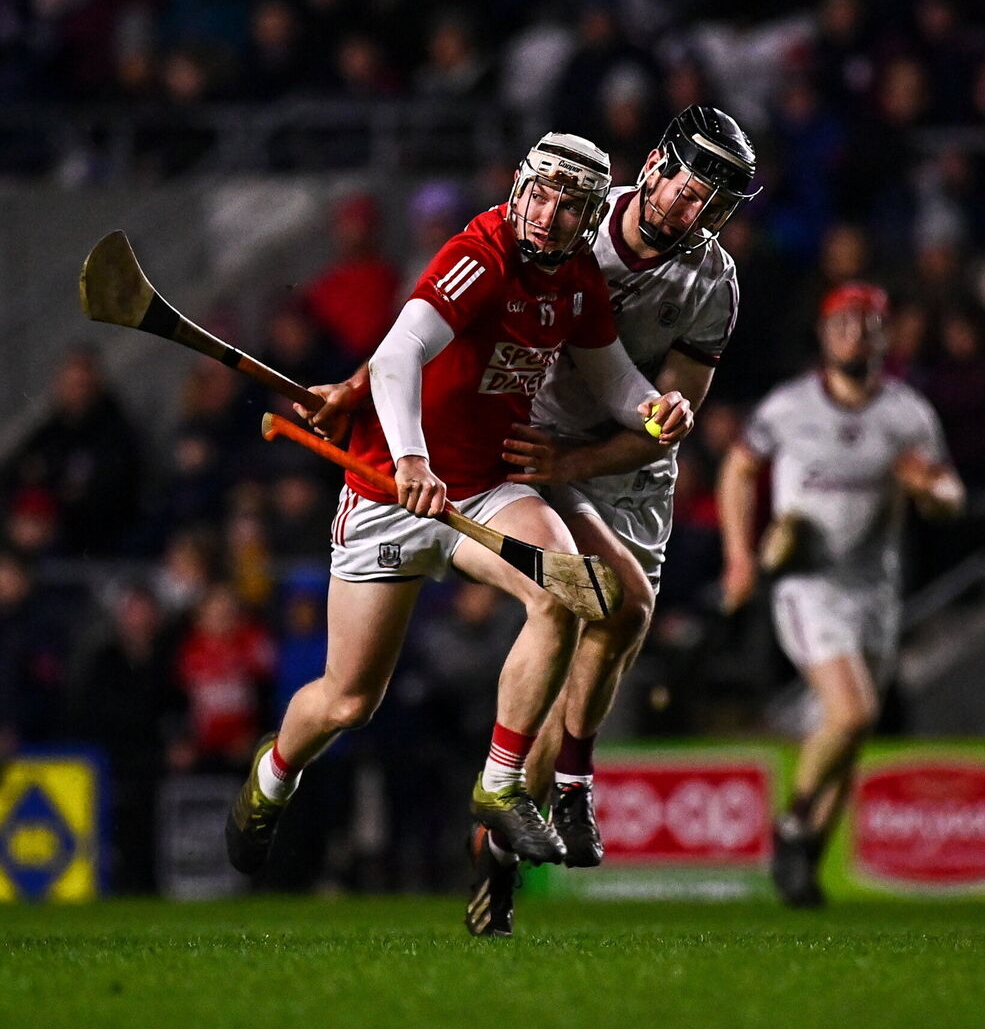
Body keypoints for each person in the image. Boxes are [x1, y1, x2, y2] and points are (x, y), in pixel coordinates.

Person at [225, 131, 690, 880]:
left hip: (484, 487)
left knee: (565, 589)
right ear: (518, 187)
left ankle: (501, 785)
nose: (547, 215)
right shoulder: (481, 253)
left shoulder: (576, 281)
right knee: (348, 703)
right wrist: (409, 458)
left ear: (588, 216)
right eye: (539, 195)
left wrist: (653, 408)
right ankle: (273, 776)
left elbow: (611, 380)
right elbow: (401, 352)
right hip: (387, 493)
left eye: (568, 206)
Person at [467, 104, 761, 937]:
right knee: (614, 606)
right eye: (686, 184)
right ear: (656, 163)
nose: (689, 207)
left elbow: (672, 418)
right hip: (534, 448)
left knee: (608, 640)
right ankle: (572, 787)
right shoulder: (576, 212)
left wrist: (650, 425)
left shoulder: (713, 280)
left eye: (711, 200)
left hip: (626, 476)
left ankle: (501, 835)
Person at [717, 282, 965, 907]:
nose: (854, 335)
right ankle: (793, 823)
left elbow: (950, 495)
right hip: (807, 583)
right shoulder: (790, 407)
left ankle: (803, 868)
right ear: (824, 335)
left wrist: (931, 491)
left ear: (884, 336)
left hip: (876, 588)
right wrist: (742, 556)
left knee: (850, 732)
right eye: (842, 324)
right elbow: (738, 470)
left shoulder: (906, 413)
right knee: (851, 712)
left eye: (866, 325)